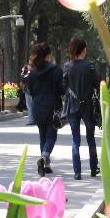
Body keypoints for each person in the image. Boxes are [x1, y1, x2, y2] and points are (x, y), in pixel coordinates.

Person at [63, 37, 100, 180]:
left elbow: (63, 86)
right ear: (84, 50)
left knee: (75, 140)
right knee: (91, 138)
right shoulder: (90, 66)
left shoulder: (67, 66)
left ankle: (77, 172)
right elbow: (97, 84)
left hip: (72, 106)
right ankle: (93, 168)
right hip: (88, 106)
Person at [26, 42, 63, 176]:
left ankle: (46, 165)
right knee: (51, 135)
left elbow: (29, 90)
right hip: (52, 106)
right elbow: (62, 88)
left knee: (42, 135)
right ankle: (43, 158)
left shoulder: (33, 73)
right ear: (48, 55)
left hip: (37, 107)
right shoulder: (56, 70)